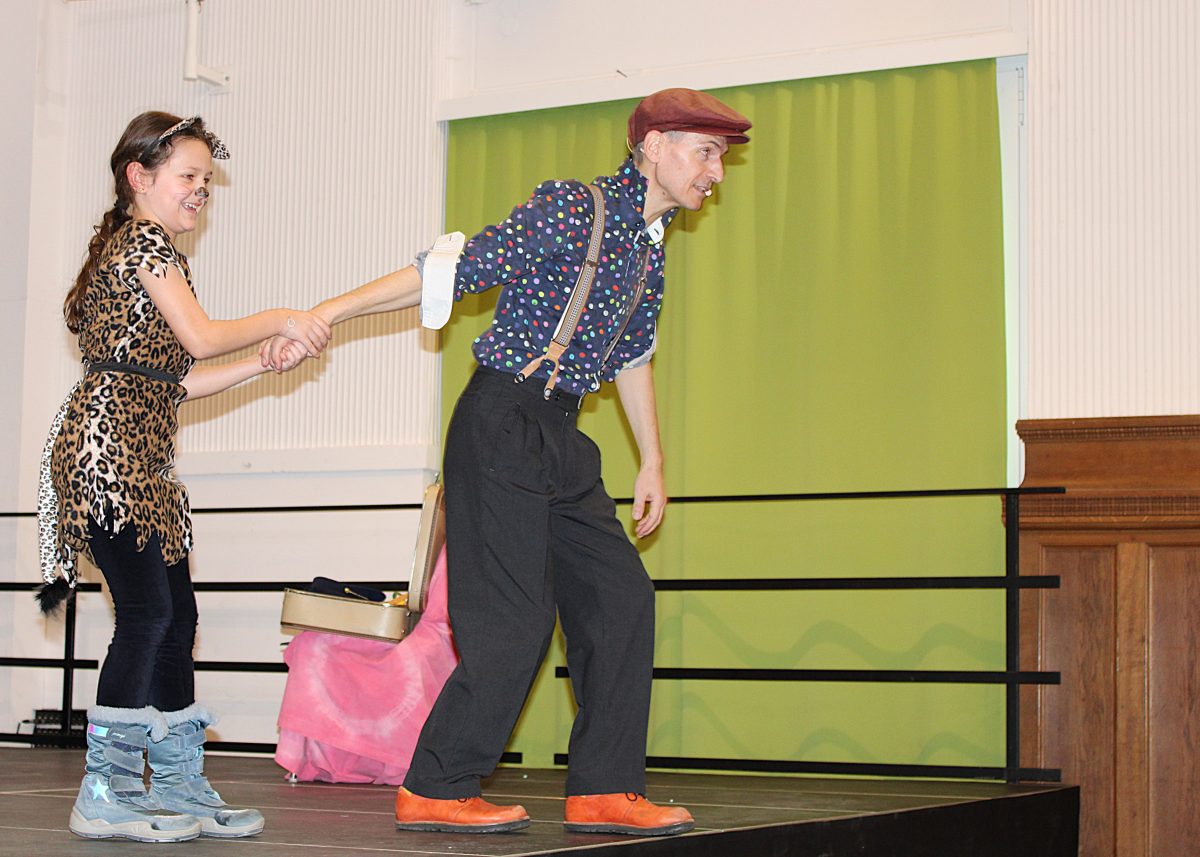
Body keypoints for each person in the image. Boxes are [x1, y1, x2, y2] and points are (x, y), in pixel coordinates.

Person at [265, 87, 750, 837]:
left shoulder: (650, 250)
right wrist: (327, 312)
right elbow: (453, 269)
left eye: (720, 156)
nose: (715, 171)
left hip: (563, 435)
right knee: (514, 616)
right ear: (654, 147)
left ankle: (604, 787)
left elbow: (632, 356)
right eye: (705, 151)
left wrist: (653, 460)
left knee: (621, 599)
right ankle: (436, 784)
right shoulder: (576, 208)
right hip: (502, 420)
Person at [37, 111, 329, 843]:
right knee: (147, 615)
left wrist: (259, 363)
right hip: (107, 454)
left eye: (206, 179)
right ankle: (105, 791)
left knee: (178, 618)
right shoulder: (143, 242)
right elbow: (198, 338)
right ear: (139, 177)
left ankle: (175, 782)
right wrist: (282, 318)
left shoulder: (154, 252)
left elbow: (175, 380)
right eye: (188, 176)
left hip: (145, 460)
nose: (200, 189)